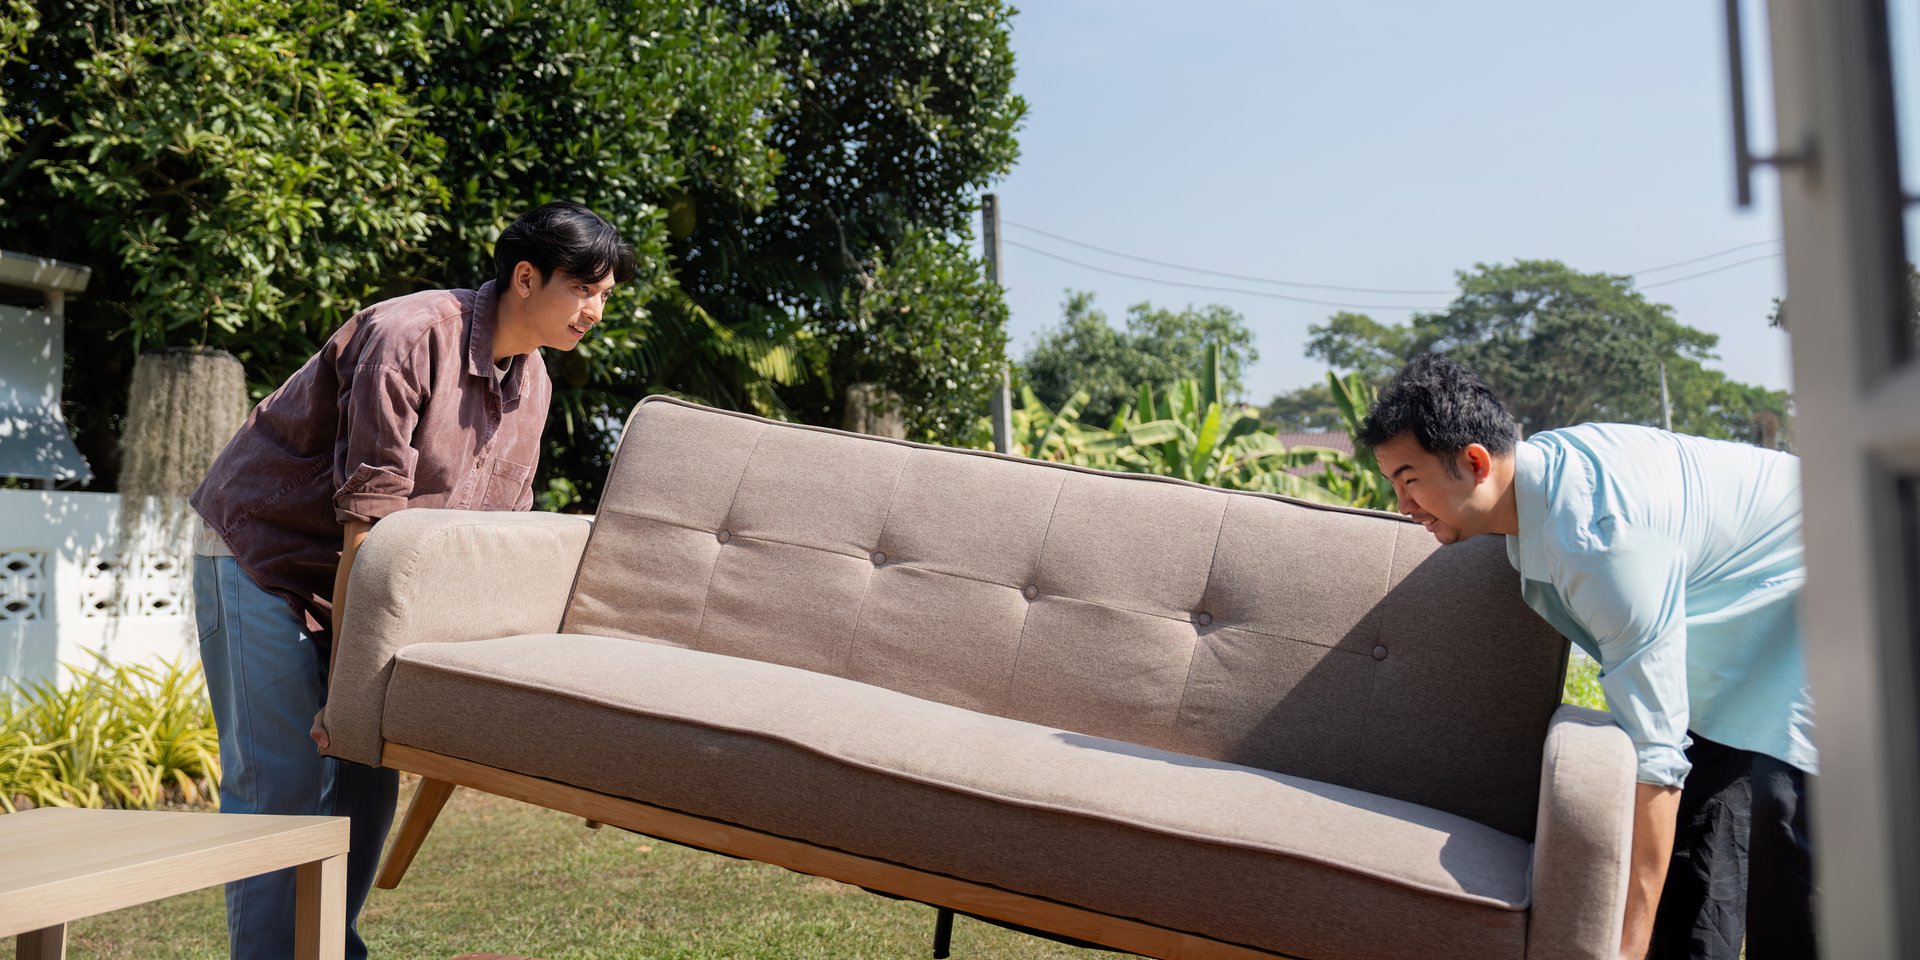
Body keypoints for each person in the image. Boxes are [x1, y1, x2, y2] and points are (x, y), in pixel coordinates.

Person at [189, 201, 633, 958]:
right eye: (584, 290)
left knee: (368, 779)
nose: (595, 312)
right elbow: (368, 520)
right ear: (527, 278)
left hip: (365, 585)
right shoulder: (409, 335)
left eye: (605, 298)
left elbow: (485, 548)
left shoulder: (536, 388)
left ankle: (329, 947)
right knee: (282, 791)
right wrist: (354, 686)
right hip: (266, 560)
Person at [1355, 354, 1816, 960]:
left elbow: (1654, 755)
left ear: (1474, 462)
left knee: (1786, 817)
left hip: (1846, 558)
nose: (1402, 505)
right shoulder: (1541, 488)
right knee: (1696, 833)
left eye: (1409, 480)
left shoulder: (1601, 540)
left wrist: (1622, 946)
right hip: (1733, 604)